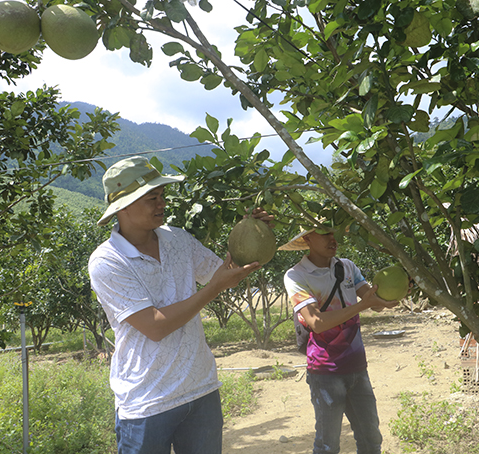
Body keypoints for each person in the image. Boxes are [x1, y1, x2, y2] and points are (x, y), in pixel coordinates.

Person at [88, 155, 270, 454]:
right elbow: (154, 326)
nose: (161, 204)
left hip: (200, 388)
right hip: (148, 401)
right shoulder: (107, 261)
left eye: (162, 195)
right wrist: (213, 288)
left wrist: (251, 234)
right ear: (123, 206)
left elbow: (226, 274)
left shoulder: (178, 239)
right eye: (151, 198)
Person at [279, 221, 401, 454]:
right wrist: (363, 305)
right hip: (325, 371)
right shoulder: (296, 275)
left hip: (357, 366)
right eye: (324, 234)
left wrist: (396, 290)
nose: (332, 239)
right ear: (307, 240)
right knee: (327, 445)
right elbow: (317, 322)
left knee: (371, 438)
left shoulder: (347, 267)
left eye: (334, 233)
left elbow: (373, 303)